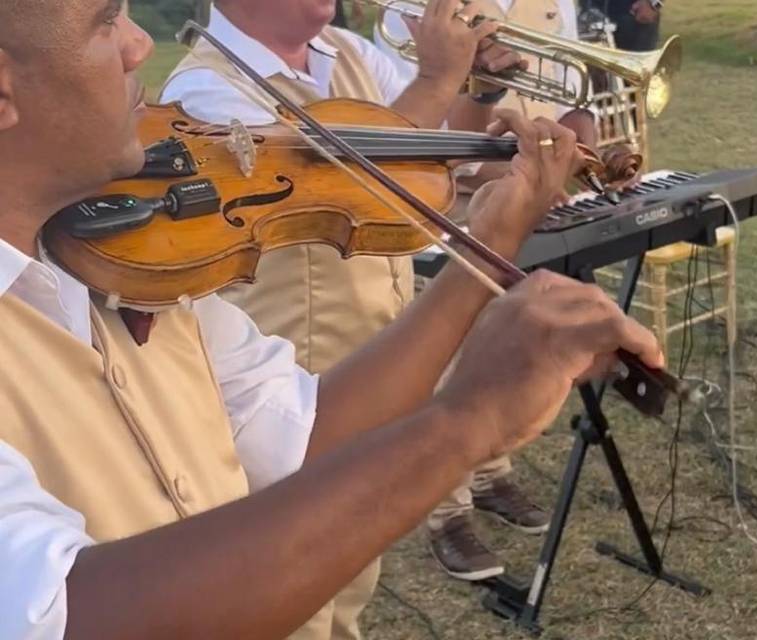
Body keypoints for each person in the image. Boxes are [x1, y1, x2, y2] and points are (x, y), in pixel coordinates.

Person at [0, 2, 664, 639]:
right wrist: (469, 418)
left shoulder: (125, 253)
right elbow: (68, 618)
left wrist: (482, 249)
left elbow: (307, 433)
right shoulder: (205, 95)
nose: (139, 44)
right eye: (104, 20)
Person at [159, 0, 526, 634]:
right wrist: (439, 78)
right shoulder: (204, 89)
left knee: (351, 579)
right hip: (283, 387)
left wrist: (478, 94)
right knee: (294, 591)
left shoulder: (349, 53)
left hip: (374, 363)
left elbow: (433, 151)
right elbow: (349, 189)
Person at [374, 0, 601, 582]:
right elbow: (419, 142)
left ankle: (490, 471)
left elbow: (576, 100)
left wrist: (577, 151)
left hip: (531, 193)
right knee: (448, 351)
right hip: (459, 196)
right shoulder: (420, 11)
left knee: (505, 339)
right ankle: (446, 512)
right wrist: (476, 94)